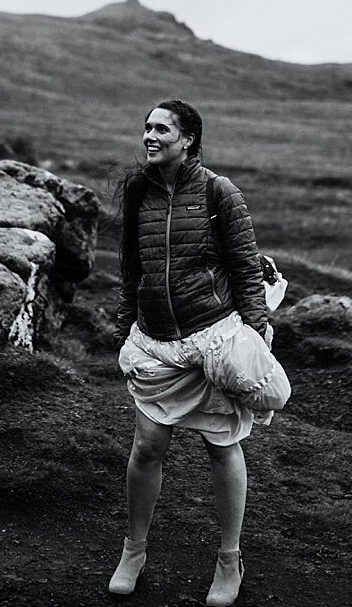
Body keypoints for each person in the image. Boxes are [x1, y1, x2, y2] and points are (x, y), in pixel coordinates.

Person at [108, 99, 271, 606]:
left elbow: (245, 268)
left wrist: (258, 331)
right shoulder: (138, 192)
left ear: (189, 140)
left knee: (221, 447)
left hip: (211, 338)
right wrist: (122, 329)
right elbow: (131, 270)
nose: (149, 137)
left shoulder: (221, 192)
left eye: (161, 129)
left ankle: (229, 559)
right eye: (146, 128)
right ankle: (134, 550)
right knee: (147, 447)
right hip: (155, 341)